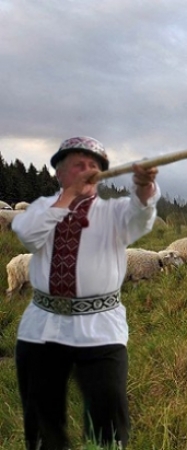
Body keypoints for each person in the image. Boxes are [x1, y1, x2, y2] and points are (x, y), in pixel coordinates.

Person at [12, 136, 160, 449]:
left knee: (107, 414)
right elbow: (28, 236)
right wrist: (69, 196)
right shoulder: (41, 209)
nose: (88, 170)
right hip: (42, 327)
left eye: (94, 165)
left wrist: (144, 188)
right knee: (41, 417)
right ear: (60, 173)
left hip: (101, 328)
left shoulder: (115, 212)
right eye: (79, 164)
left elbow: (140, 217)